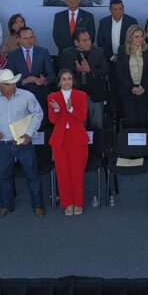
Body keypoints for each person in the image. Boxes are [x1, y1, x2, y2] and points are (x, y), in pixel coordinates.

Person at [0, 68, 46, 218]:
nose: (12, 86)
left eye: (13, 83)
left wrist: (29, 133)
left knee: (32, 174)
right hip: (3, 144)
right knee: (4, 175)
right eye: (8, 84)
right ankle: (6, 205)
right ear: (0, 85)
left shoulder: (27, 96)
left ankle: (37, 205)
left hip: (23, 142)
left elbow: (38, 113)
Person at [48, 69, 90, 216]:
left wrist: (70, 108)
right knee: (63, 173)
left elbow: (82, 117)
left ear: (73, 81)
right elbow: (53, 120)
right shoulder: (52, 97)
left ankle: (78, 202)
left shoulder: (81, 95)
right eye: (64, 79)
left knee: (77, 172)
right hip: (60, 139)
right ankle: (68, 203)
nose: (67, 81)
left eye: (69, 79)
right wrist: (58, 110)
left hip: (77, 138)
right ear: (59, 82)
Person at [59, 28, 109, 129]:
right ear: (76, 42)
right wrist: (76, 70)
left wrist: (90, 70)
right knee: (77, 126)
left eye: (89, 39)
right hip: (75, 95)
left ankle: (97, 144)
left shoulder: (98, 52)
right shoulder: (66, 53)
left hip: (95, 95)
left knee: (97, 126)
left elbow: (105, 70)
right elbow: (61, 73)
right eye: (84, 40)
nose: (88, 43)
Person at [116, 25, 148, 129]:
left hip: (145, 90)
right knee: (132, 119)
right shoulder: (122, 50)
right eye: (136, 37)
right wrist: (132, 87)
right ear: (130, 38)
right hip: (128, 90)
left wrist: (143, 87)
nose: (140, 39)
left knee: (144, 119)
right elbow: (119, 72)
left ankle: (145, 144)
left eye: (141, 36)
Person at [5, 27, 56, 102]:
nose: (29, 41)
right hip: (21, 94)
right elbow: (10, 77)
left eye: (31, 37)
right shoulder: (13, 55)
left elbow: (51, 74)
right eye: (25, 38)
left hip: (41, 93)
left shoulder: (43, 52)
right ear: (18, 40)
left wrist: (44, 80)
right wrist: (23, 81)